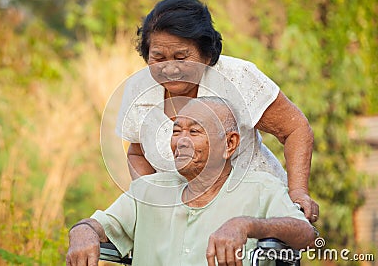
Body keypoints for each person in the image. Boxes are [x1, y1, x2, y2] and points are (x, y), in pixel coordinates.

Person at [114, 0, 319, 222]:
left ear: (207, 55)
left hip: (257, 214)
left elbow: (295, 129)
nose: (169, 67)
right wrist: (151, 201)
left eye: (181, 57)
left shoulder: (237, 77)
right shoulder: (138, 88)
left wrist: (298, 192)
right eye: (158, 58)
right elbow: (137, 152)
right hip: (185, 221)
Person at [68, 97, 316, 266]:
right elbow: (97, 225)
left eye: (194, 132)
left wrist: (248, 225)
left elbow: (306, 235)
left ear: (229, 144)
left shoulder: (261, 189)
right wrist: (82, 231)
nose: (181, 141)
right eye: (176, 131)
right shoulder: (148, 190)